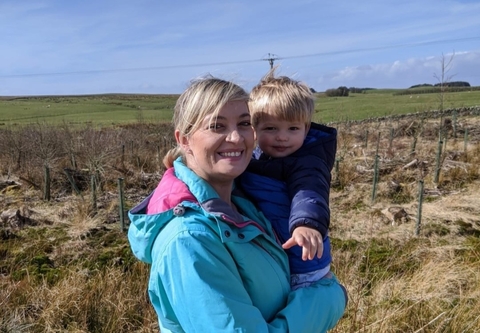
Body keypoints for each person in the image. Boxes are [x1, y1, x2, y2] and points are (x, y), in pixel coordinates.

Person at [127, 76, 347, 332]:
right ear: (184, 139)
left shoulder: (244, 205)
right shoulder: (189, 240)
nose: (235, 137)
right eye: (217, 126)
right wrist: (328, 299)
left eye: (244, 123)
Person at [238, 68, 337, 291]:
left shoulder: (307, 162)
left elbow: (309, 191)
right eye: (271, 128)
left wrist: (306, 224)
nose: (282, 137)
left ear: (306, 128)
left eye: (293, 128)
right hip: (277, 257)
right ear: (254, 129)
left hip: (303, 261)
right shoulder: (255, 159)